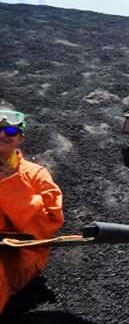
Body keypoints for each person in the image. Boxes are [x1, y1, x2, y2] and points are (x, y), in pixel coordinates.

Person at [0, 109, 64, 312]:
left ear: (20, 138)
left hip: (17, 253)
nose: (2, 135)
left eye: (10, 131)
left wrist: (11, 184)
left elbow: (44, 230)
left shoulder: (37, 176)